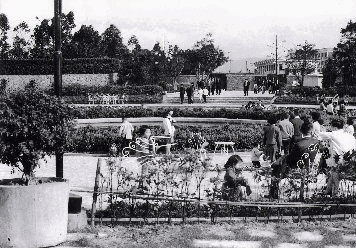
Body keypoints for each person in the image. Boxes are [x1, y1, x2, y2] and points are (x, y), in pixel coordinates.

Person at [269, 121, 319, 199]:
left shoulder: (298, 144)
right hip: (310, 168)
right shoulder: (317, 142)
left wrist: (282, 159)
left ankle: (273, 194)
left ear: (301, 131)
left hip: (297, 169)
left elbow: (291, 159)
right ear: (312, 131)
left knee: (275, 168)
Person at [319, 118, 356, 196]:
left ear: (335, 127)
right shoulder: (350, 136)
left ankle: (336, 193)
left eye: (331, 126)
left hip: (339, 162)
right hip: (351, 161)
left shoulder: (333, 134)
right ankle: (328, 190)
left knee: (334, 170)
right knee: (333, 170)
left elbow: (317, 135)